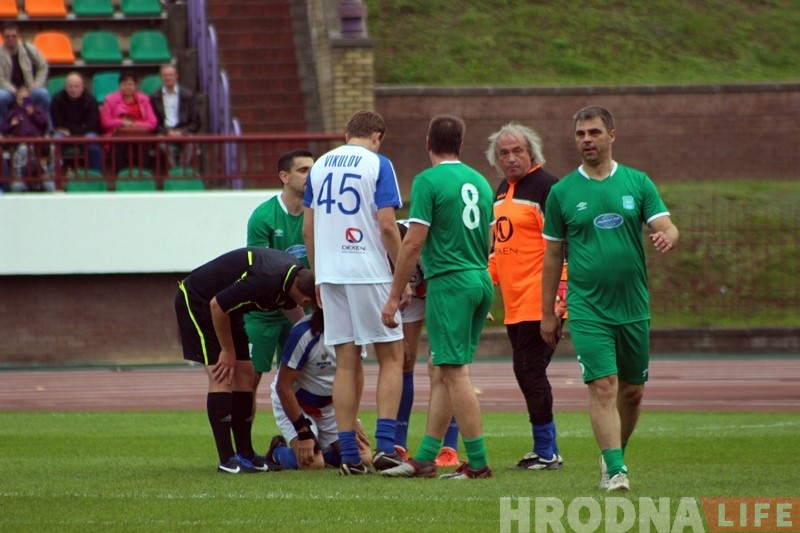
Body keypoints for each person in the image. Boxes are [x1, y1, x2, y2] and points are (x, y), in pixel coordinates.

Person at [540, 105, 679, 492]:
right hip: (588, 307)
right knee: (603, 385)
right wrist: (547, 311)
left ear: (611, 136)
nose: (587, 140)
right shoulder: (562, 193)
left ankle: (612, 453)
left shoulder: (637, 183)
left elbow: (667, 225)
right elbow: (552, 255)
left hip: (632, 306)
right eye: (580, 134)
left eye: (594, 132)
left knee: (632, 392)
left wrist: (668, 235)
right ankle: (616, 471)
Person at [380, 115, 495, 480]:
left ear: (428, 143)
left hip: (450, 283)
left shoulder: (428, 181)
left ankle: (478, 463)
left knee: (454, 372)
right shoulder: (480, 181)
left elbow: (413, 242)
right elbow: (490, 240)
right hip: (480, 279)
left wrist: (394, 295)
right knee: (442, 368)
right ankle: (427, 456)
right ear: (460, 145)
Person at [302, 109, 406, 475]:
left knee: (346, 362)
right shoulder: (378, 163)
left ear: (347, 134)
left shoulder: (319, 166)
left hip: (331, 272)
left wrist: (318, 275)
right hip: (367, 268)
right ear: (377, 136)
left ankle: (349, 453)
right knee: (391, 357)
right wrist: (402, 274)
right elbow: (388, 226)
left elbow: (308, 228)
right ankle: (385, 447)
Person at [174, 247, 316, 473]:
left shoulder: (293, 278)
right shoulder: (267, 278)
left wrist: (312, 336)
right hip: (199, 301)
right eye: (311, 305)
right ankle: (227, 459)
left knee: (246, 374)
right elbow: (216, 305)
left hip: (229, 310)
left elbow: (294, 313)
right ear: (306, 299)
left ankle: (246, 453)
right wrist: (227, 351)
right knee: (222, 374)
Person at [485, 122, 564, 470]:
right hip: (514, 306)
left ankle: (548, 452)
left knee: (529, 371)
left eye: (518, 151)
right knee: (526, 373)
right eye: (504, 153)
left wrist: (558, 300)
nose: (511, 158)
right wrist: (483, 291)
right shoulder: (502, 191)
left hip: (540, 302)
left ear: (531, 152)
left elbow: (562, 247)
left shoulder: (547, 188)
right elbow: (498, 251)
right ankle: (546, 449)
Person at [245, 149, 314, 418]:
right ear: (284, 177)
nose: (311, 176)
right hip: (263, 311)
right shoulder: (263, 216)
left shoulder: (319, 213)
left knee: (303, 380)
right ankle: (243, 441)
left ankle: (302, 437)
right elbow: (264, 275)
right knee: (248, 380)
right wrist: (301, 320)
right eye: (303, 170)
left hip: (301, 307)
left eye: (313, 170)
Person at [265, 308, 374, 470]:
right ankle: (277, 451)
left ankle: (323, 451)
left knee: (364, 459)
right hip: (297, 404)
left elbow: (357, 376)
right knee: (314, 464)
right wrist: (303, 431)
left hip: (330, 407)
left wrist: (352, 417)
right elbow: (283, 387)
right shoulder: (303, 333)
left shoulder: (354, 333)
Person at [393, 220, 462, 466]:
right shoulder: (380, 245)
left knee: (443, 364)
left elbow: (445, 288)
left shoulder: (426, 247)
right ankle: (398, 443)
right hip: (404, 296)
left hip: (438, 289)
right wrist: (398, 336)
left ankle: (449, 448)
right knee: (403, 360)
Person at [100, 70, 157, 174]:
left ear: (135, 86)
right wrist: (121, 122)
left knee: (143, 144)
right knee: (119, 144)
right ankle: (120, 175)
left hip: (139, 134)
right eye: (124, 84)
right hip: (117, 134)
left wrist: (135, 125)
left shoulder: (144, 100)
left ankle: (143, 176)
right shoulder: (110, 99)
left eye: (130, 84)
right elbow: (105, 122)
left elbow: (153, 122)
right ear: (120, 85)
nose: (127, 87)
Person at [149, 63, 201, 170]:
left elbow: (196, 122)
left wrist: (181, 132)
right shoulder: (154, 97)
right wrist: (167, 132)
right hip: (164, 132)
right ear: (161, 77)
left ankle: (181, 171)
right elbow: (153, 122)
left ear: (176, 76)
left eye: (171, 75)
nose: (168, 78)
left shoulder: (188, 95)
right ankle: (174, 171)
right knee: (162, 144)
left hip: (183, 130)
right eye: (165, 75)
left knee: (191, 144)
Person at [0, 86, 52, 192]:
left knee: (51, 148)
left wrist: (33, 114)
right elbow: (3, 129)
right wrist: (11, 124)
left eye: (25, 99)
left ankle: (46, 177)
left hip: (37, 141)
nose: (23, 101)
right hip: (20, 142)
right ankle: (19, 179)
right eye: (20, 99)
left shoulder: (37, 111)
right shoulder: (13, 113)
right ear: (17, 100)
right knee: (24, 149)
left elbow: (44, 123)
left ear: (30, 99)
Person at [49, 72, 102, 173]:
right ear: (65, 87)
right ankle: (54, 175)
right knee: (55, 143)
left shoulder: (91, 100)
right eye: (70, 87)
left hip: (85, 132)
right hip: (64, 133)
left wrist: (73, 131)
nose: (73, 90)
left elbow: (92, 124)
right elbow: (58, 123)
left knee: (93, 144)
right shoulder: (57, 99)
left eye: (76, 87)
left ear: (82, 87)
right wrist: (78, 128)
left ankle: (95, 176)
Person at [0, 23, 50, 125]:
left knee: (43, 94)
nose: (10, 39)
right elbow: (1, 79)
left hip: (29, 89)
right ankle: (3, 128)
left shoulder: (29, 49)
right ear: (2, 37)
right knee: (1, 97)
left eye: (13, 36)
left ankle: (46, 128)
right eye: (7, 36)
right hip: (10, 91)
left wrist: (36, 84)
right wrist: (17, 92)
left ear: (18, 36)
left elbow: (43, 66)